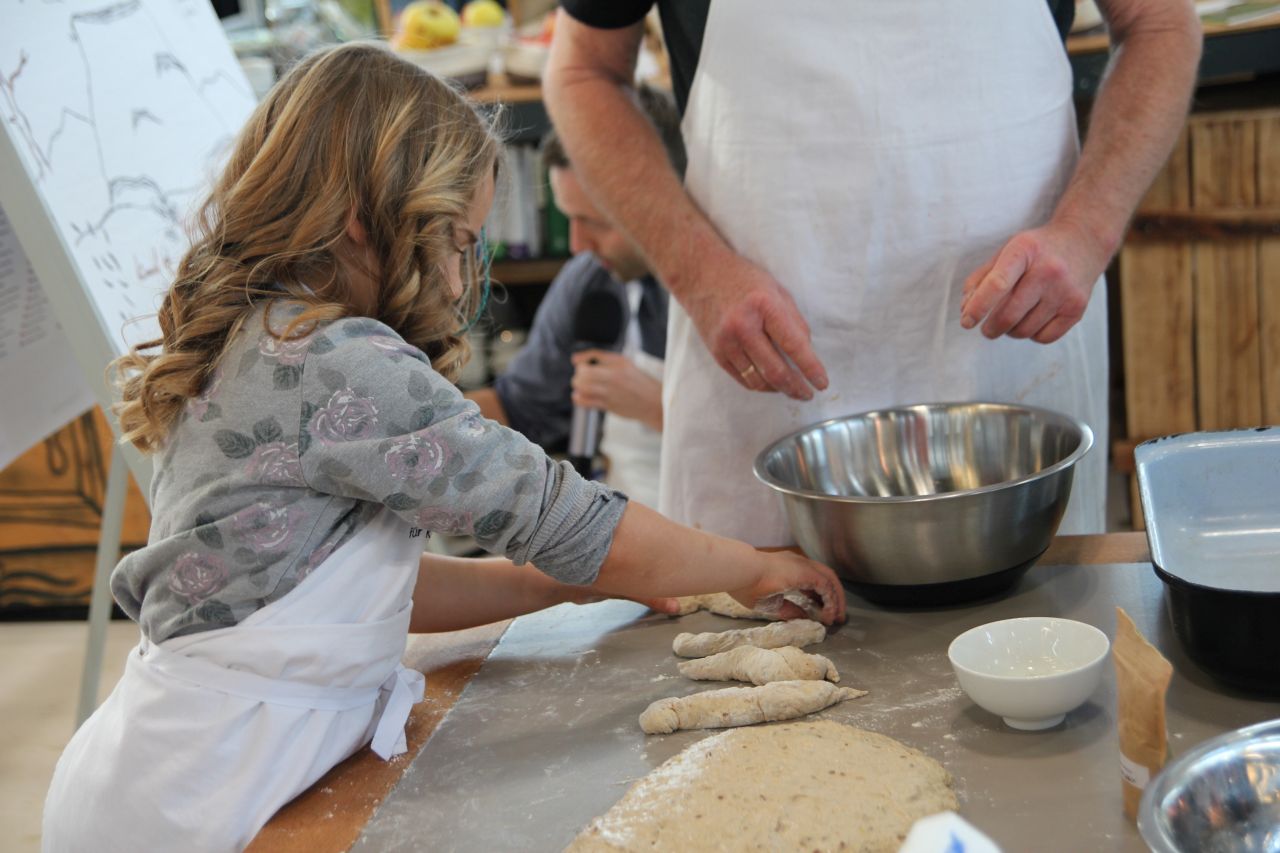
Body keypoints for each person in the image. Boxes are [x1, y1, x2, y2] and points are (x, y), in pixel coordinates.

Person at [41, 44, 843, 852]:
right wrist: (753, 566)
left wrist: (558, 591)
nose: (461, 283)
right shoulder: (338, 362)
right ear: (365, 217)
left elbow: (371, 596)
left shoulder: (267, 335)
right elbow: (562, 516)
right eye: (456, 241)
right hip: (196, 798)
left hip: (176, 770)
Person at [543, 1, 1202, 544]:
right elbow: (581, 71)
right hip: (765, 368)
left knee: (1029, 673)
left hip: (1008, 363)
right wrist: (697, 272)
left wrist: (1087, 230)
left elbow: (1160, 23)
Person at [468, 86, 683, 507]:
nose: (577, 245)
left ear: (664, 196)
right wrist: (415, 418)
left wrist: (661, 410)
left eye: (594, 222)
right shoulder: (593, 281)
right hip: (635, 525)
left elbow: (786, 444)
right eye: (569, 220)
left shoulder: (747, 289)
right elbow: (521, 408)